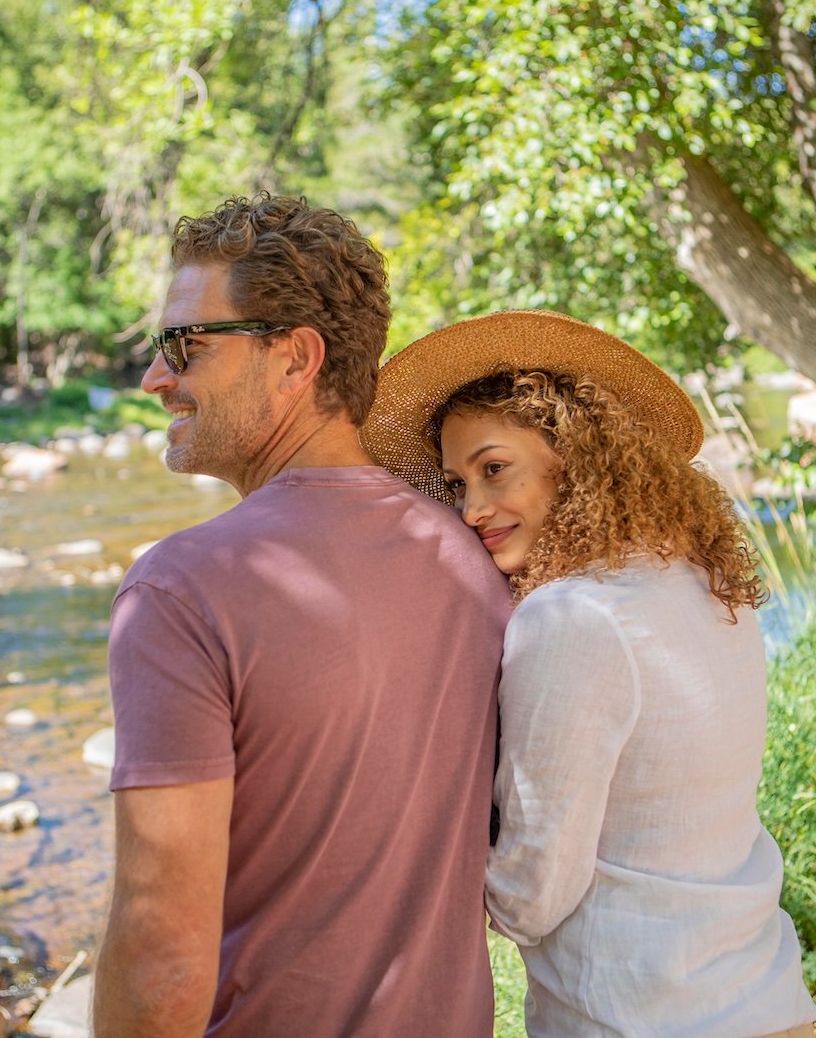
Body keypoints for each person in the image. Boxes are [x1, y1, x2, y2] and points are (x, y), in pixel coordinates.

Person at [94, 194, 511, 1037]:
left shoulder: (178, 593)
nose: (155, 376)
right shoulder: (478, 551)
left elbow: (162, 954)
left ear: (295, 359)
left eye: (186, 343)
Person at [362, 309, 816, 1038]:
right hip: (761, 997)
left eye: (494, 468)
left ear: (573, 455)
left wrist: (396, 849)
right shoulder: (702, 585)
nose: (472, 509)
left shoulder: (570, 619)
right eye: (456, 484)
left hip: (638, 1015)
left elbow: (531, 895)